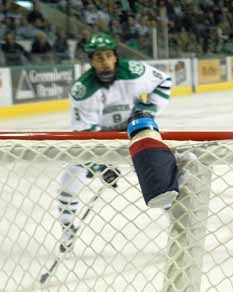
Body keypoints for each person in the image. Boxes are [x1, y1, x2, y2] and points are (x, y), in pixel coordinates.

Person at [56, 32, 173, 254]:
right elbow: (85, 134)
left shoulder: (134, 72)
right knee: (68, 181)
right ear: (91, 61)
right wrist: (101, 166)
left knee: (159, 179)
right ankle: (68, 228)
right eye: (99, 58)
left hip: (134, 133)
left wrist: (147, 111)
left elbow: (164, 81)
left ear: (116, 57)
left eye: (109, 56)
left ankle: (178, 225)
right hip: (99, 140)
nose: (105, 62)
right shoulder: (83, 90)